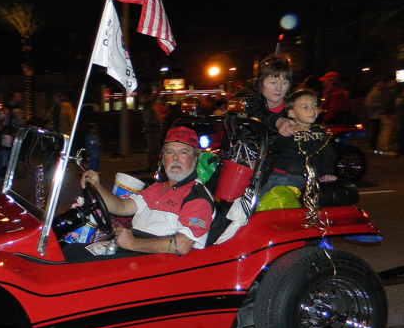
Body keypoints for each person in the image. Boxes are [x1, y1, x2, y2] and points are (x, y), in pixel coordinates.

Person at [65, 126, 214, 260]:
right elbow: (122, 207)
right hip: (134, 252)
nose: (175, 158)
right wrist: (97, 186)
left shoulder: (197, 196)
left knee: (72, 260)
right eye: (169, 152)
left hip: (153, 261)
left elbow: (183, 244)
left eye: (183, 152)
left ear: (195, 158)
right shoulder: (157, 188)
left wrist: (133, 243)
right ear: (163, 159)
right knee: (68, 250)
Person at [261, 89, 337, 194]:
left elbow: (328, 155)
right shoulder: (286, 130)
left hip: (309, 178)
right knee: (267, 199)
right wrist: (289, 130)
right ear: (292, 113)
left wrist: (327, 173)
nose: (312, 110)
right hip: (285, 175)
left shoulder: (320, 133)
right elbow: (274, 146)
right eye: (305, 107)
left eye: (314, 106)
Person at [236, 54, 305, 138]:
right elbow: (257, 112)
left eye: (284, 83)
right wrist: (279, 122)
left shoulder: (294, 106)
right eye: (273, 82)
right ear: (261, 83)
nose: (279, 88)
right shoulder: (247, 96)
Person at [139, 85, 164, 172]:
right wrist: (159, 90)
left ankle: (151, 166)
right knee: (154, 147)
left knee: (153, 147)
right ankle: (151, 166)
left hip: (150, 126)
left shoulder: (145, 103)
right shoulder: (147, 103)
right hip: (153, 126)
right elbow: (153, 99)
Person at [364, 78, 385, 150]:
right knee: (374, 130)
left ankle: (373, 145)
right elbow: (367, 104)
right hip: (374, 115)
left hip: (374, 115)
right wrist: (378, 105)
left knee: (375, 130)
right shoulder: (373, 93)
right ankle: (372, 145)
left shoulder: (377, 92)